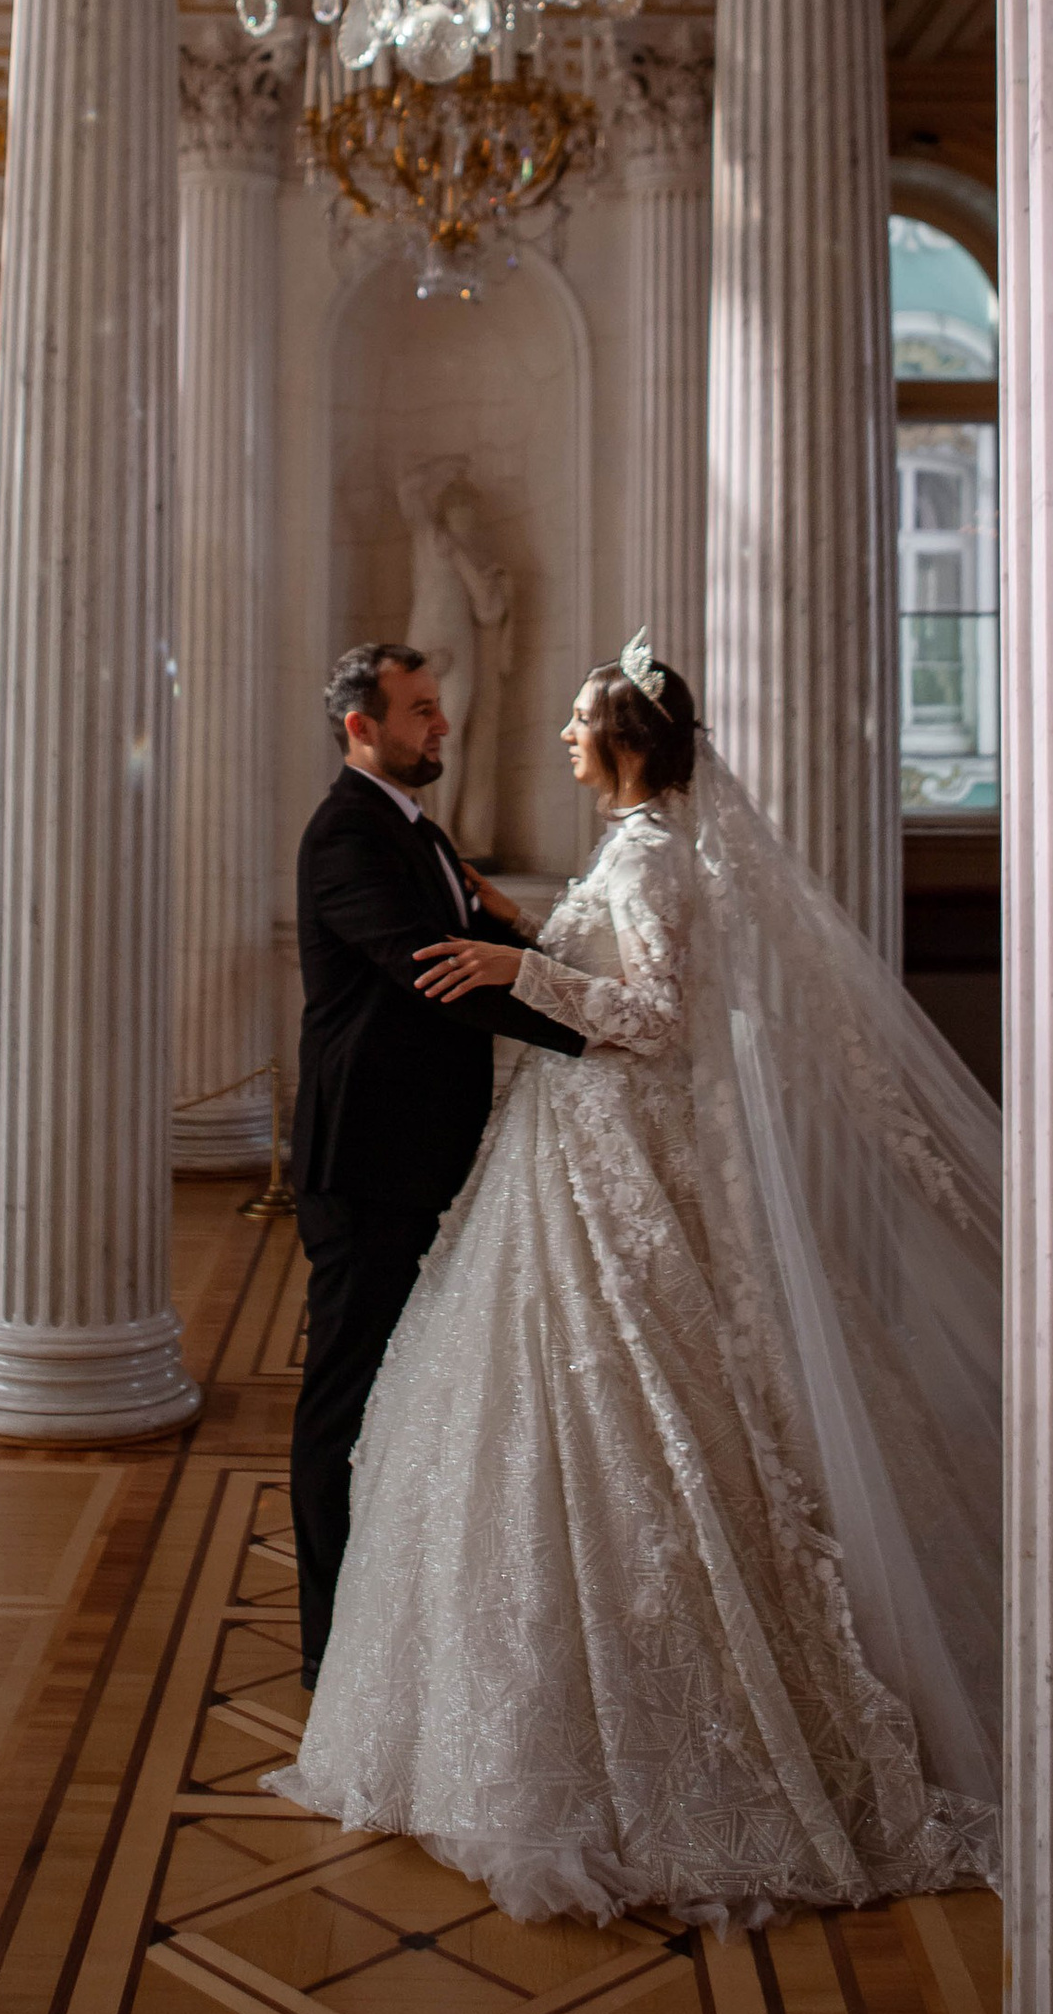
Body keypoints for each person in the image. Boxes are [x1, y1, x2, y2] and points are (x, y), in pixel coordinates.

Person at [271, 633, 1005, 1928]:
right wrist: (517, 934)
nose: (544, 734)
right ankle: (370, 1659)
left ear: (621, 745)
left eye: (573, 722)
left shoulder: (656, 852)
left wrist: (517, 963)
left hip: (589, 1145)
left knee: (615, 1394)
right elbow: (552, 972)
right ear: (366, 725)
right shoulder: (592, 843)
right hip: (490, 1150)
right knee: (447, 1401)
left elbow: (653, 1012)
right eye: (427, 709)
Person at [287, 642, 587, 1689]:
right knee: (346, 1396)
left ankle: (390, 1617)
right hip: (367, 1160)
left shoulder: (410, 826)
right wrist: (601, 1029)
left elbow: (472, 942)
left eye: (437, 706)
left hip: (421, 1150)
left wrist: (513, 925)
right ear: (360, 725)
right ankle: (329, 1647)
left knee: (404, 1390)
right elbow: (438, 975)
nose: (441, 725)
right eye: (419, 710)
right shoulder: (346, 836)